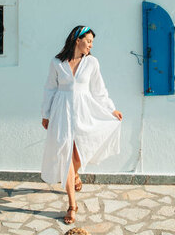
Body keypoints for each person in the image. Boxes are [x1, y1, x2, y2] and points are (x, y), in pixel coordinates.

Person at [41, 25, 123, 225]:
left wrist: (111, 109)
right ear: (77, 40)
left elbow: (99, 90)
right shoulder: (57, 62)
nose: (91, 45)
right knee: (65, 154)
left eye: (92, 42)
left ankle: (75, 174)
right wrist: (46, 114)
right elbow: (50, 89)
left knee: (78, 154)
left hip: (85, 111)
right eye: (88, 41)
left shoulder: (92, 62)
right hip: (61, 112)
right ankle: (72, 205)